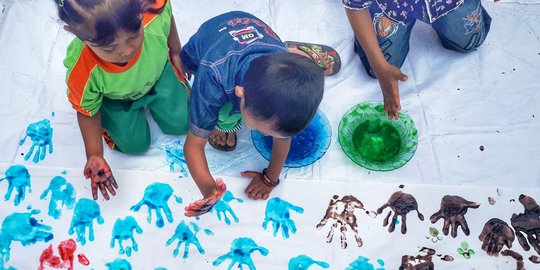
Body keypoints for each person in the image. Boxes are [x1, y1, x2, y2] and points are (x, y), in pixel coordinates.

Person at [180, 11, 325, 217]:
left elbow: (283, 138)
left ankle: (298, 54)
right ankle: (221, 123)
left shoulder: (278, 74)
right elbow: (193, 145)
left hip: (253, 37)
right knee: (216, 114)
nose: (265, 135)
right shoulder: (213, 76)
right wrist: (208, 189)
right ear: (241, 94)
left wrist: (270, 179)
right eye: (260, 129)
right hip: (204, 48)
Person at [56, 0, 190, 200]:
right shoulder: (82, 70)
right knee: (134, 146)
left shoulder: (152, 13)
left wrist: (176, 51)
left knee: (185, 121)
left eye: (134, 33)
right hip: (116, 99)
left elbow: (167, 17)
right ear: (77, 33)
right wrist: (95, 155)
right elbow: (87, 112)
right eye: (110, 48)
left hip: (159, 74)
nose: (127, 50)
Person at [343, 0, 491, 119]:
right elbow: (355, 6)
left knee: (471, 42)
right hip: (392, 6)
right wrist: (380, 66)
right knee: (376, 67)